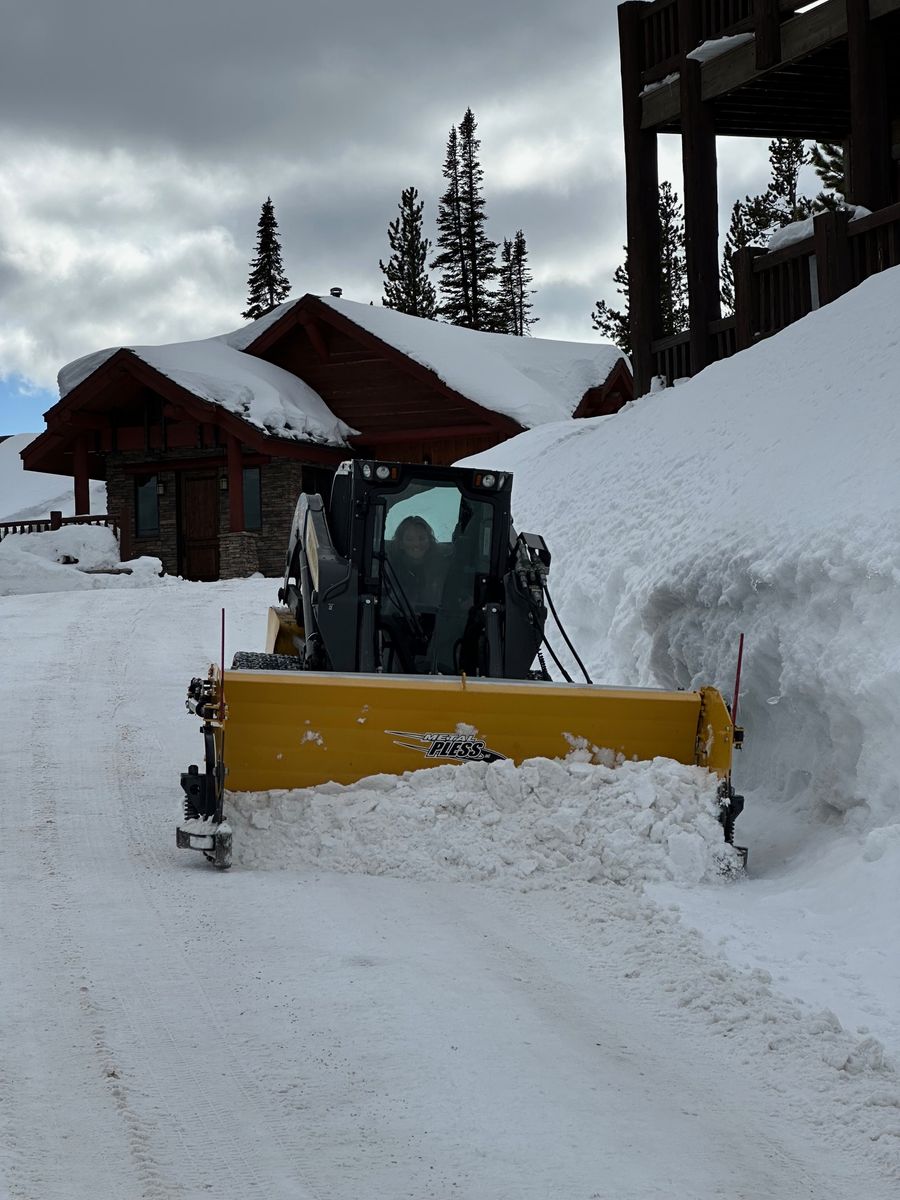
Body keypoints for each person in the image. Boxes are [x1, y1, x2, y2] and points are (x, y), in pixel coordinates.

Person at [386, 515, 445, 610]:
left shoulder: (442, 569)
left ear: (430, 541)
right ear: (400, 543)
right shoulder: (388, 568)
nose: (416, 544)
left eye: (422, 538)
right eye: (410, 539)